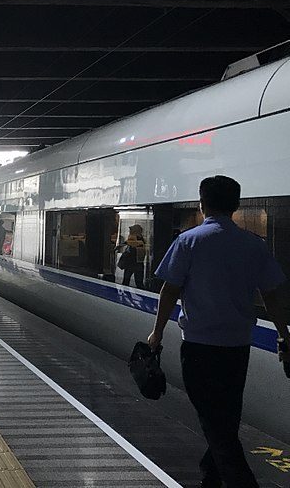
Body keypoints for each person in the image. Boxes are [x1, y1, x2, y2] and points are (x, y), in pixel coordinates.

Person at [147, 175, 290, 488]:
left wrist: (156, 333)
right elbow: (272, 295)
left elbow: (170, 290)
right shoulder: (254, 244)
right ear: (236, 206)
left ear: (203, 203)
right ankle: (210, 476)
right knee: (225, 416)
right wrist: (284, 335)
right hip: (238, 348)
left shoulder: (188, 241)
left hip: (198, 347)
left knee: (213, 420)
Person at [117, 224, 146, 289]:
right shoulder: (140, 239)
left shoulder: (135, 238)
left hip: (132, 263)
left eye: (131, 230)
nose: (129, 231)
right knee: (138, 282)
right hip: (137, 263)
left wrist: (119, 246)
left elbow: (128, 243)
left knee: (128, 281)